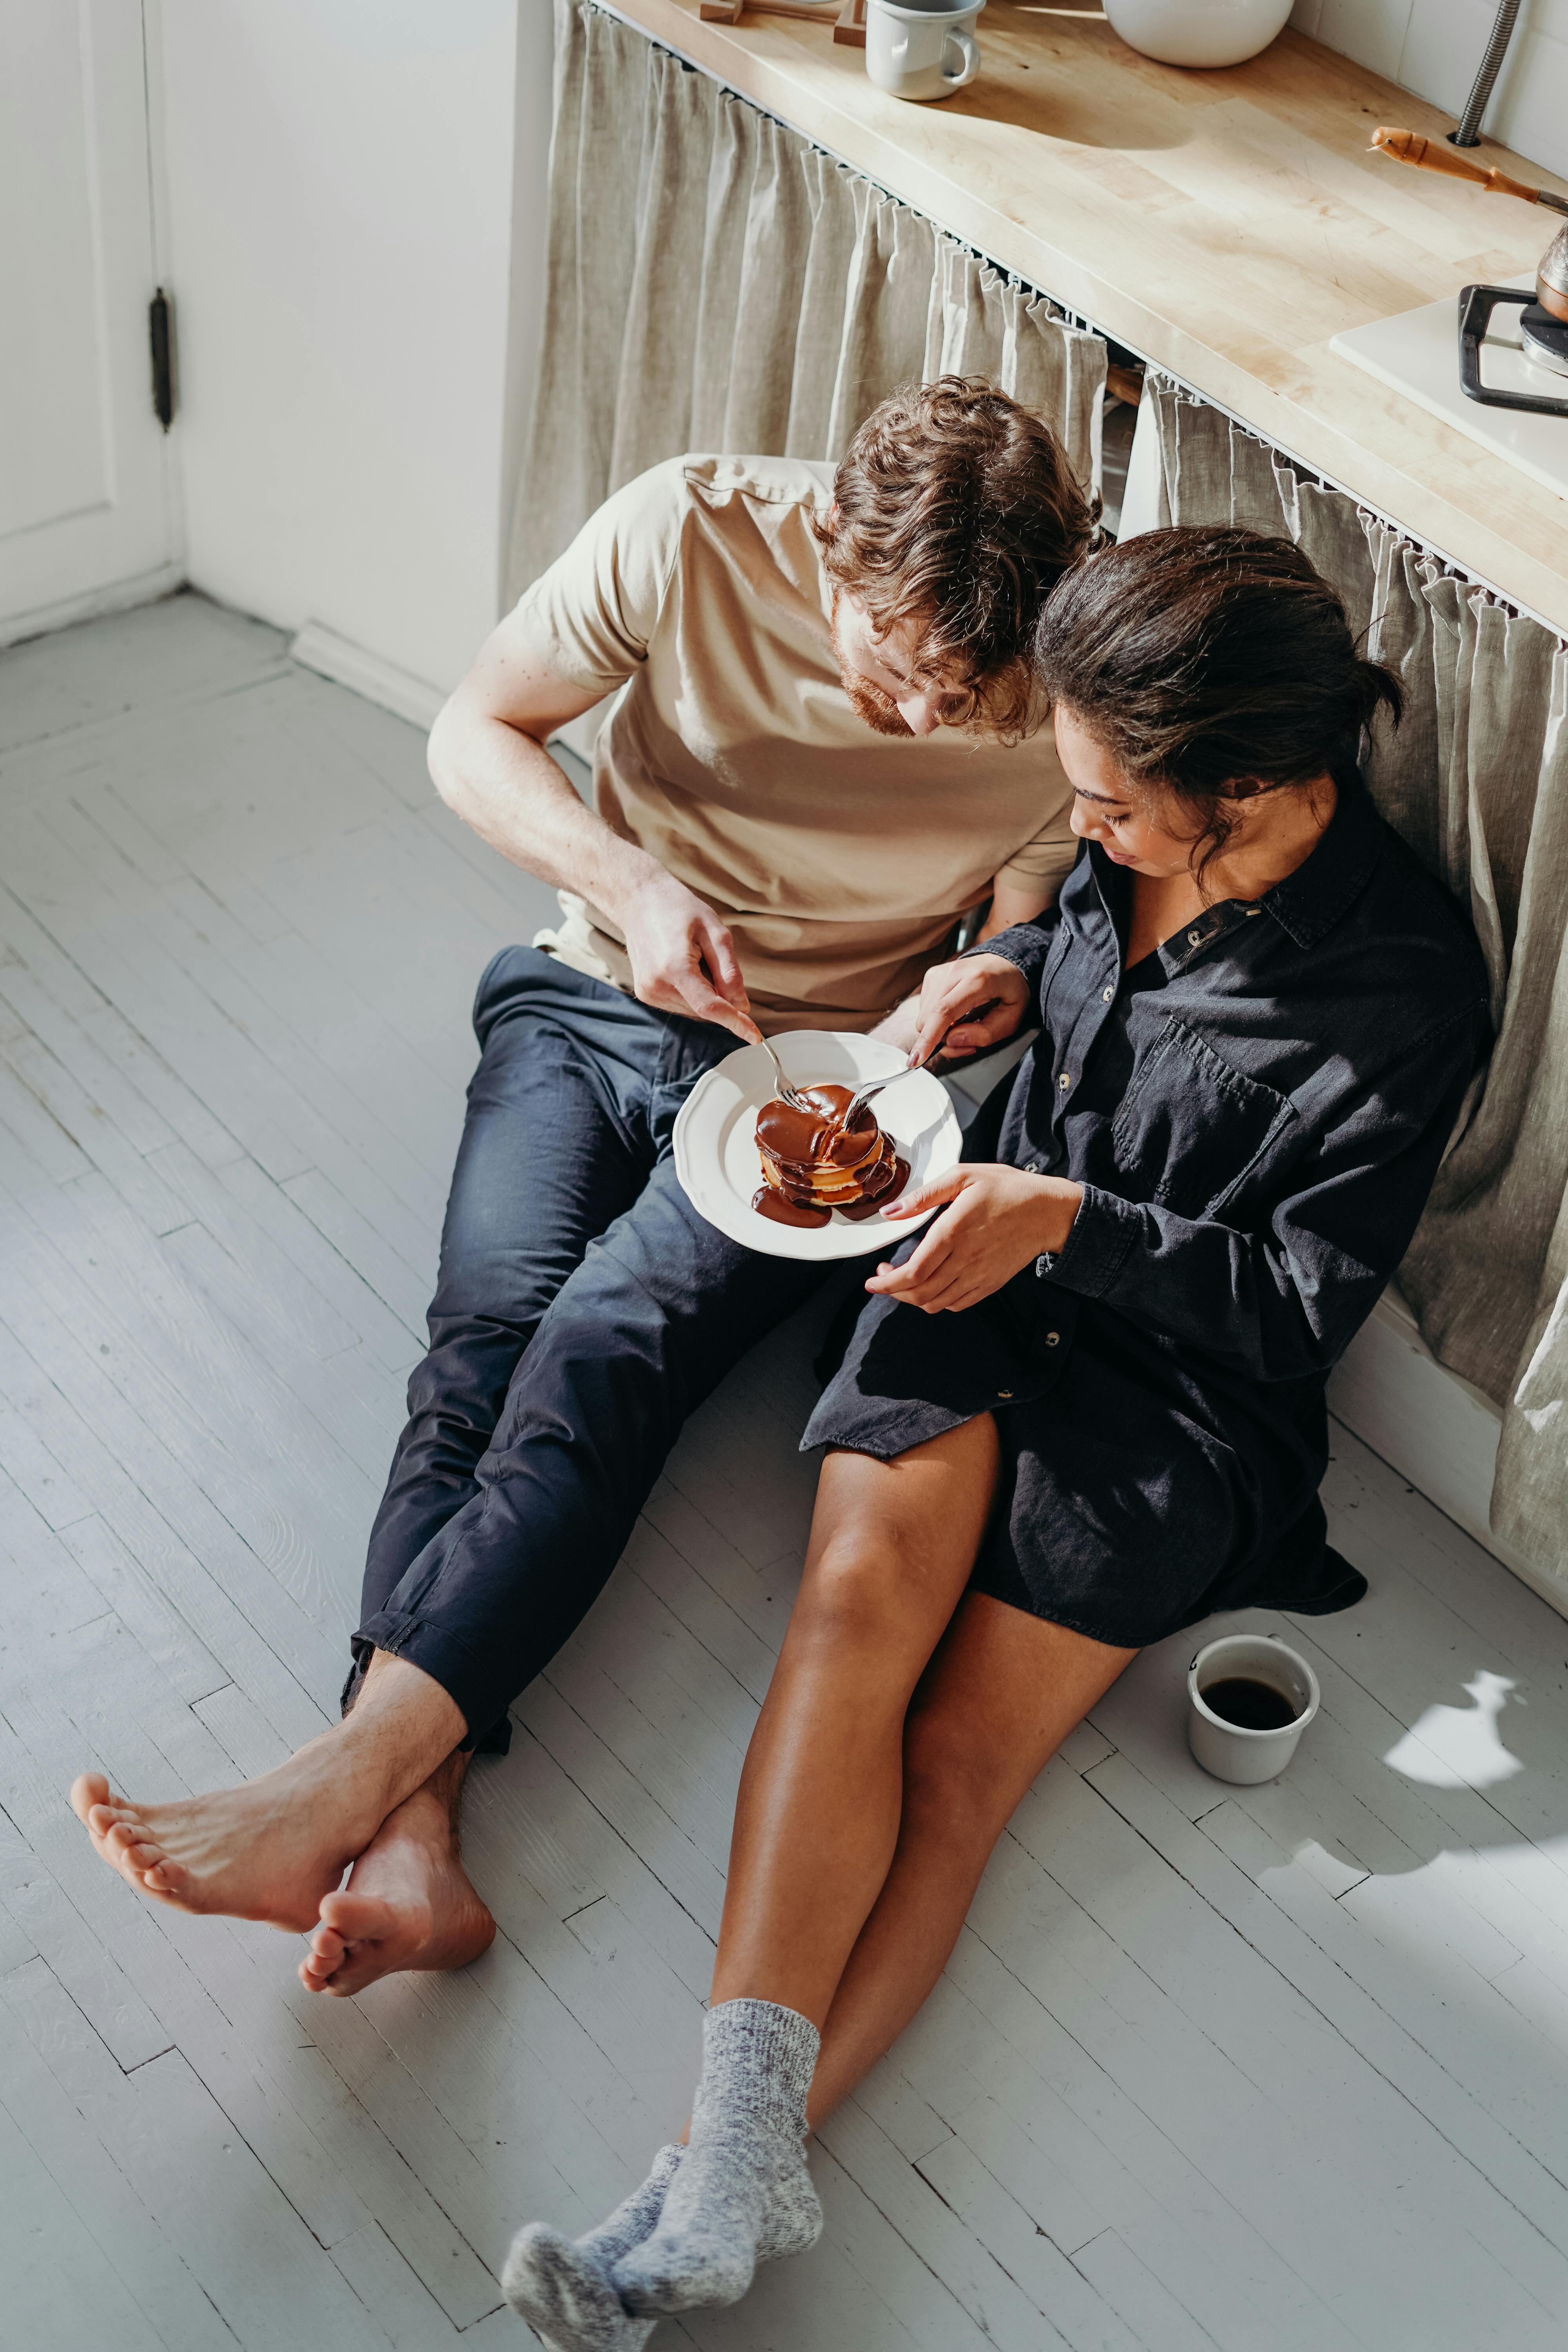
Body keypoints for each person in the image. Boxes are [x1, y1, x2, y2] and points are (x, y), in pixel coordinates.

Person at [499, 526, 1491, 2350]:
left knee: (961, 1762)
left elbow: (1294, 1306)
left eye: (1111, 812)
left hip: (1181, 1382)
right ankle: (732, 2162)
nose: (1084, 828)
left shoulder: (1405, 987)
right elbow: (1082, 996)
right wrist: (1017, 966)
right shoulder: (1120, 855)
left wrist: (1071, 1223)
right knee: (851, 1612)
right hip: (973, 1257)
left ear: (1251, 790)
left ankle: (716, 2185)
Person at [68, 379, 1098, 1996]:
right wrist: (630, 878)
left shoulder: (1052, 683)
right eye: (888, 669)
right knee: (479, 1337)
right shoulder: (685, 525)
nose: (908, 723)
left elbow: (1029, 925)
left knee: (608, 1342)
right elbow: (470, 729)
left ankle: (336, 1785)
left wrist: (985, 981)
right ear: (827, 543)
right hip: (593, 990)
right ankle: (408, 1844)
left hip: (814, 1088)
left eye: (950, 699)